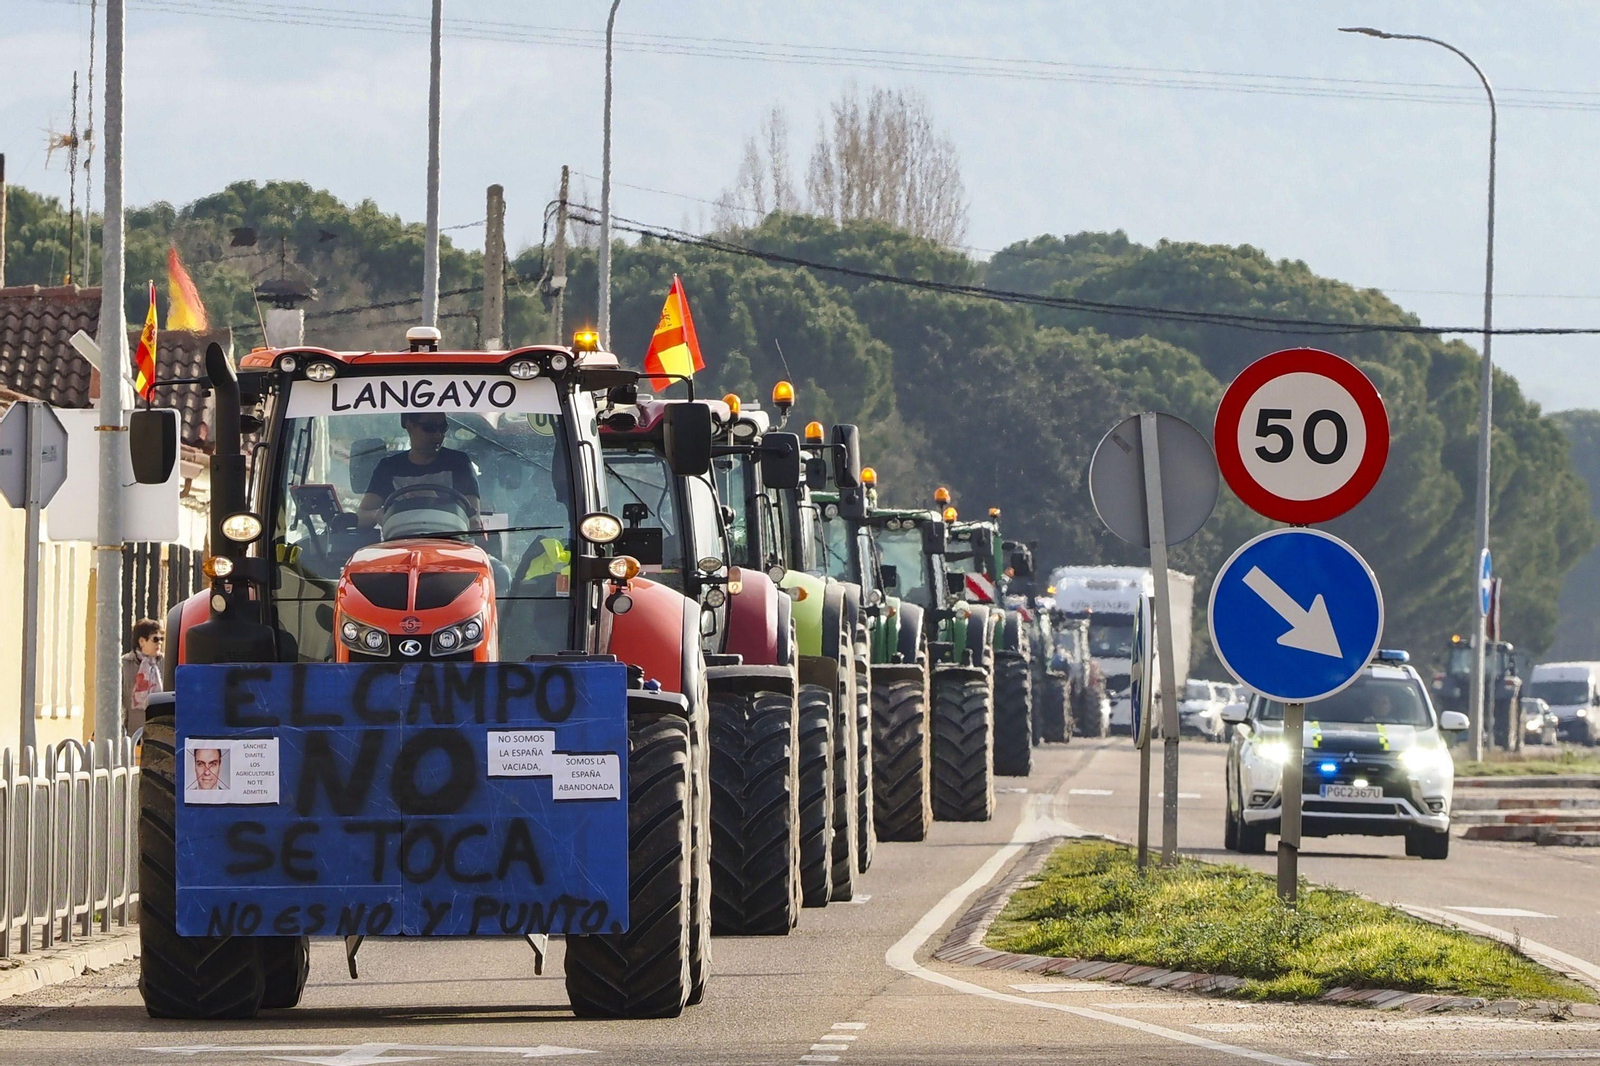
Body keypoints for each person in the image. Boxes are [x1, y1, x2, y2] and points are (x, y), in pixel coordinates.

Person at [357, 413, 481, 527]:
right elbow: (361, 515)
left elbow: (473, 518)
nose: (438, 435)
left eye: (443, 428)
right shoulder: (389, 468)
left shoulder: (458, 463)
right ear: (410, 427)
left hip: (451, 543)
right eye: (430, 428)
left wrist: (434, 503)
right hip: (400, 543)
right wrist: (376, 515)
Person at [121, 619, 164, 736]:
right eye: (155, 639)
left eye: (161, 639)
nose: (159, 643)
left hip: (161, 730)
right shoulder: (124, 664)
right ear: (141, 641)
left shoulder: (165, 663)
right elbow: (116, 702)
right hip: (133, 732)